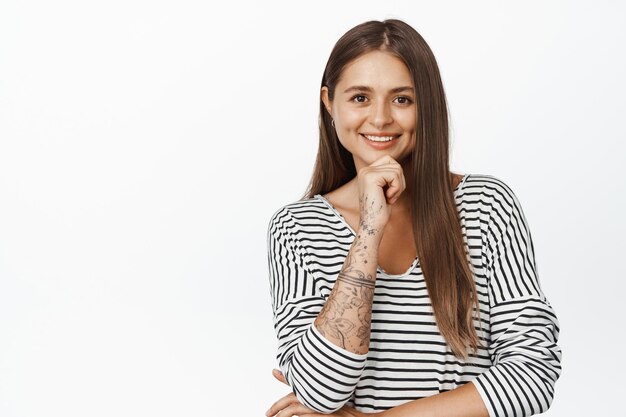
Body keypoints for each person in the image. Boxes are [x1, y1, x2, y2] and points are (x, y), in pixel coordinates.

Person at [265, 19, 562, 417]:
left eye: (402, 99)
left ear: (427, 106)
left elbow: (533, 374)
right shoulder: (296, 227)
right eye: (360, 98)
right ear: (328, 102)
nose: (381, 118)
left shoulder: (487, 206)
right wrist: (370, 229)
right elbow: (320, 392)